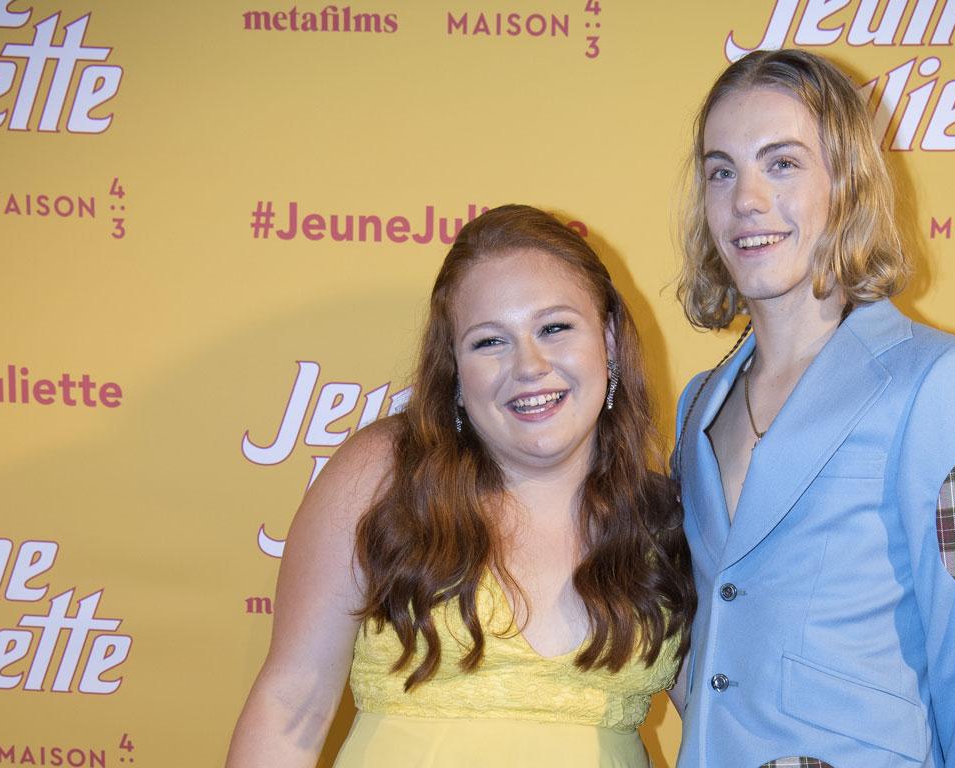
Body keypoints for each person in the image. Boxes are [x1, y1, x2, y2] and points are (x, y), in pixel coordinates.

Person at [670, 50, 955, 768]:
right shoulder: (698, 406)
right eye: (721, 171)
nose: (746, 199)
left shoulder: (947, 381)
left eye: (782, 163)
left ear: (846, 182)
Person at [226, 204, 694, 767]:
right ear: (453, 365)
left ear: (609, 338)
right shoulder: (384, 473)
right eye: (490, 342)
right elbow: (290, 703)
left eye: (555, 328)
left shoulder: (668, 517)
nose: (530, 366)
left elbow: (731, 715)